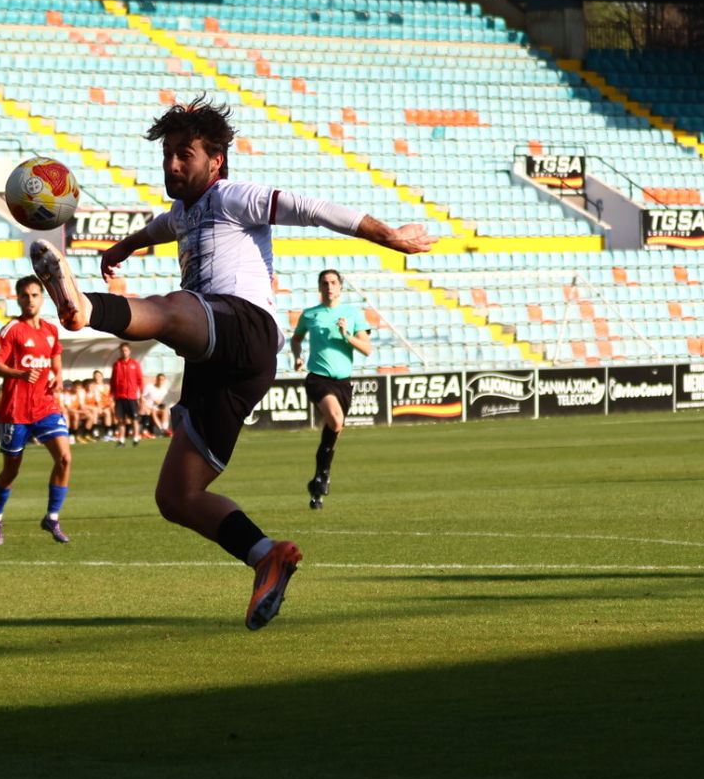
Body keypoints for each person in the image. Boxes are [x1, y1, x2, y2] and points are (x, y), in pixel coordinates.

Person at [28, 95, 432, 629]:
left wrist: (389, 237)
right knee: (177, 495)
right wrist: (118, 251)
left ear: (215, 160)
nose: (172, 164)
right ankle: (266, 554)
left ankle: (83, 309)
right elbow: (156, 229)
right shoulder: (182, 213)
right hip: (220, 360)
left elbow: (311, 209)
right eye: (167, 154)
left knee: (175, 308)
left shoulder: (234, 197)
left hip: (245, 326)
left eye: (184, 154)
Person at [0, 275, 72, 545]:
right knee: (11, 471)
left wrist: (57, 376)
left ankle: (52, 518)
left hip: (46, 406)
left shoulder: (50, 330)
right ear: (18, 298)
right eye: (25, 296)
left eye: (35, 295)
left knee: (65, 459)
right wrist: (19, 373)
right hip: (16, 411)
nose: (30, 300)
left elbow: (56, 359)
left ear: (42, 298)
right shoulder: (12, 329)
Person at [291, 268, 371, 508]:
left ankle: (319, 480)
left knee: (333, 430)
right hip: (318, 378)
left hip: (343, 383)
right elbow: (296, 339)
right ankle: (322, 475)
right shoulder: (310, 315)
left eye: (333, 282)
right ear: (319, 287)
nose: (329, 287)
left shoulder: (352, 314)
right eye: (325, 283)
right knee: (335, 421)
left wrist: (346, 335)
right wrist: (297, 357)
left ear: (340, 287)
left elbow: (367, 349)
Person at [109, 342, 144, 446]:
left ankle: (136, 437)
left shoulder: (135, 364)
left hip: (132, 396)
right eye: (122, 350)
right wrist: (111, 395)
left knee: (134, 418)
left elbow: (140, 380)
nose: (124, 352)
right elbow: (112, 381)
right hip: (120, 396)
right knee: (121, 419)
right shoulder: (117, 364)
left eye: (126, 350)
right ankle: (121, 440)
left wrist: (141, 394)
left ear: (129, 351)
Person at [142, 372, 172, 437]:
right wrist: (145, 406)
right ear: (156, 379)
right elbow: (142, 397)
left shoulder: (164, 390)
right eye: (159, 379)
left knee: (165, 410)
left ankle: (165, 429)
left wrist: (161, 404)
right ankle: (162, 429)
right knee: (153, 411)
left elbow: (164, 402)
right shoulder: (149, 387)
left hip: (158, 408)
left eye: (162, 380)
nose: (160, 381)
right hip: (149, 408)